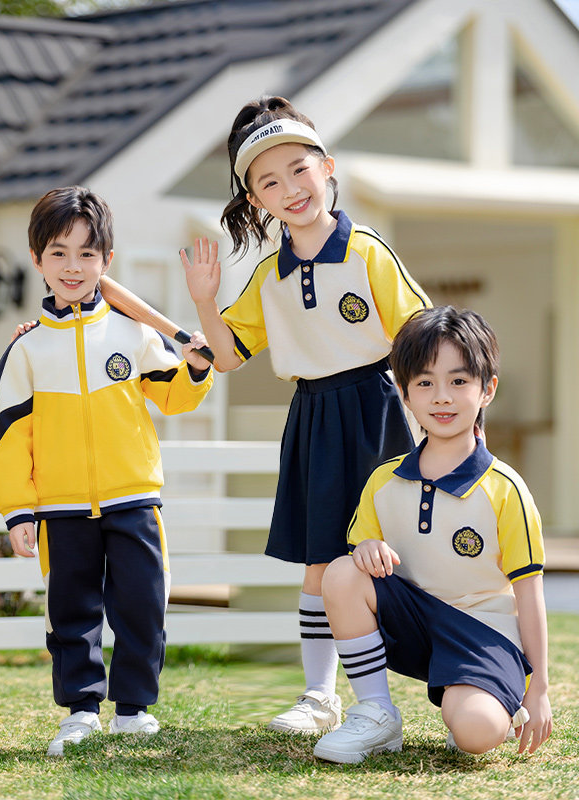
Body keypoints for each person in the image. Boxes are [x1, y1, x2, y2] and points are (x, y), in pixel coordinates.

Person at [181, 96, 430, 734]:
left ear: (327, 168)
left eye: (299, 169)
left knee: (395, 554)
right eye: (269, 182)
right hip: (314, 419)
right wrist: (206, 303)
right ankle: (324, 698)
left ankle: (459, 675)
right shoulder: (269, 276)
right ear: (254, 199)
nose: (290, 189)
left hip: (378, 410)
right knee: (322, 561)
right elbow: (226, 355)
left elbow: (419, 338)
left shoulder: (368, 251)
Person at [0, 185, 214, 757]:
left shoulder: (133, 332)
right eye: (58, 253)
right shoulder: (26, 350)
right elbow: (9, 439)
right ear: (37, 259)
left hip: (133, 498)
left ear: (106, 261)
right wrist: (18, 509)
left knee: (142, 604)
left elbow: (174, 396)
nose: (73, 266)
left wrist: (194, 368)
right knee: (72, 613)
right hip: (60, 507)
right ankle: (82, 710)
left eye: (87, 254)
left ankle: (133, 710)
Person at [313, 306, 552, 763]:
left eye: (458, 381)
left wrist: (539, 687)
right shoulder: (383, 480)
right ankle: (377, 714)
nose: (442, 397)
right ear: (404, 393)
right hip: (415, 621)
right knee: (342, 571)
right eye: (425, 383)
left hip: (483, 633)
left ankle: (486, 700)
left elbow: (529, 592)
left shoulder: (505, 489)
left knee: (475, 734)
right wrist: (367, 549)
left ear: (487, 390)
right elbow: (359, 558)